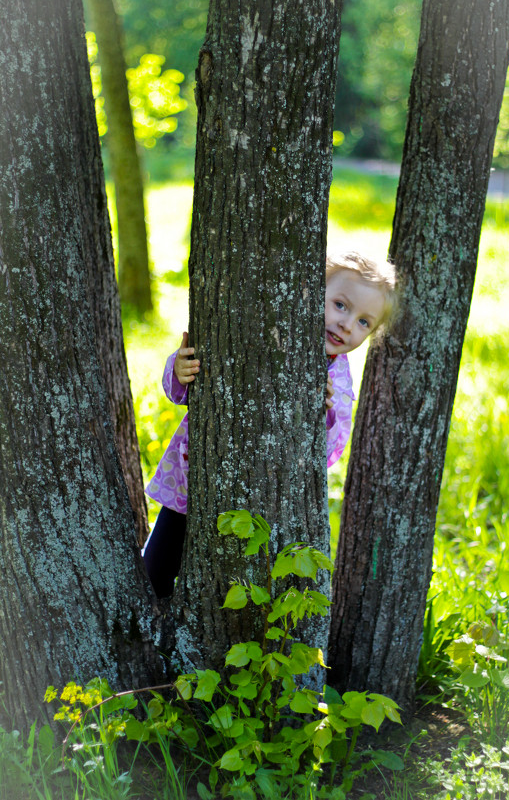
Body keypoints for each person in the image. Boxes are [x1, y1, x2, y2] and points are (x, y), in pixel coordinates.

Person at [143, 251, 397, 597]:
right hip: (193, 478)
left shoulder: (338, 380)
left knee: (224, 585)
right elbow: (190, 392)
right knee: (156, 568)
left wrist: (322, 415)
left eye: (365, 322)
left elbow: (331, 450)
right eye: (340, 305)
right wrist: (179, 370)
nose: (348, 325)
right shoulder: (267, 334)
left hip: (259, 498)